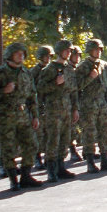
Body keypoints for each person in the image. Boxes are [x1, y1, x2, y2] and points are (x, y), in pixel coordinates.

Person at [0, 43, 44, 191]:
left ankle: (25, 176)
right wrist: (3, 91)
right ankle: (13, 180)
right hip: (4, 116)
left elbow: (32, 96)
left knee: (32, 145)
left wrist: (35, 116)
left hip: (23, 114)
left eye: (22, 53)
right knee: (8, 149)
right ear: (10, 55)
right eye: (17, 53)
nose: (21, 56)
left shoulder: (26, 73)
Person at [75, 39, 107, 173]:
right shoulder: (83, 66)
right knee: (89, 132)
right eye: (95, 49)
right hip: (88, 103)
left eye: (100, 49)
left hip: (102, 103)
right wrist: (90, 77)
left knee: (105, 131)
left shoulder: (104, 65)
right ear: (89, 50)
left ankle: (105, 159)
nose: (98, 52)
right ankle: (90, 162)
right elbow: (77, 86)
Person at [37, 40, 79, 181]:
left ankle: (61, 167)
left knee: (65, 139)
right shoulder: (49, 69)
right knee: (53, 140)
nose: (69, 53)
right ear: (60, 51)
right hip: (53, 110)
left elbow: (73, 91)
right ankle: (51, 170)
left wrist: (75, 109)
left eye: (70, 50)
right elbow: (41, 88)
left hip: (66, 109)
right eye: (66, 50)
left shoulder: (69, 69)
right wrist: (55, 83)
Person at [29, 45, 53, 172]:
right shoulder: (34, 71)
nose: (48, 58)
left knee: (49, 134)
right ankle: (37, 158)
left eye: (50, 56)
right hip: (38, 105)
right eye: (46, 56)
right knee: (38, 134)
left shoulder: (52, 69)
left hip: (50, 104)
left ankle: (48, 158)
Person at [66, 45, 83, 162]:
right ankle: (72, 150)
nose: (77, 57)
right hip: (69, 102)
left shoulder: (79, 69)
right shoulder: (66, 69)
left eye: (79, 55)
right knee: (70, 128)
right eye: (75, 55)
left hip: (81, 101)